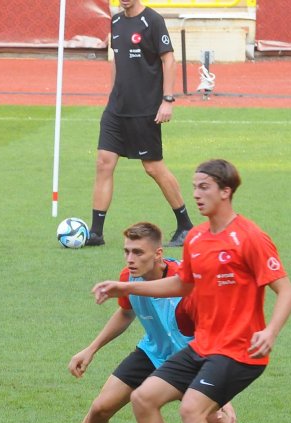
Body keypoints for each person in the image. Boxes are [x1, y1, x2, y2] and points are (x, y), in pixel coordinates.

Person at [93, 159, 291, 423]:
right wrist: (125, 287)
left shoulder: (249, 237)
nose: (196, 194)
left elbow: (286, 291)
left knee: (192, 409)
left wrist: (270, 331)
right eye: (195, 186)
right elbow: (182, 286)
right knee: (143, 398)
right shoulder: (197, 240)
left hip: (240, 351)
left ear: (226, 191)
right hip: (204, 346)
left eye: (204, 187)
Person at [36, 222, 277, 423]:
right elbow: (125, 314)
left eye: (138, 252)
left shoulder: (186, 281)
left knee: (215, 417)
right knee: (101, 407)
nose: (130, 258)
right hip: (151, 353)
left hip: (193, 355)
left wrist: (222, 394)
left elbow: (212, 332)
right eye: (126, 251)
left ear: (158, 254)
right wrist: (91, 349)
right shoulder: (129, 277)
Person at [86, 0, 193, 248]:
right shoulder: (115, 21)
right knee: (104, 162)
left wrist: (167, 100)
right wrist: (112, 95)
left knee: (153, 167)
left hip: (145, 109)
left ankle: (185, 226)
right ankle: (96, 232)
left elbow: (168, 60)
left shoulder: (153, 21)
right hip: (116, 109)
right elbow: (116, 60)